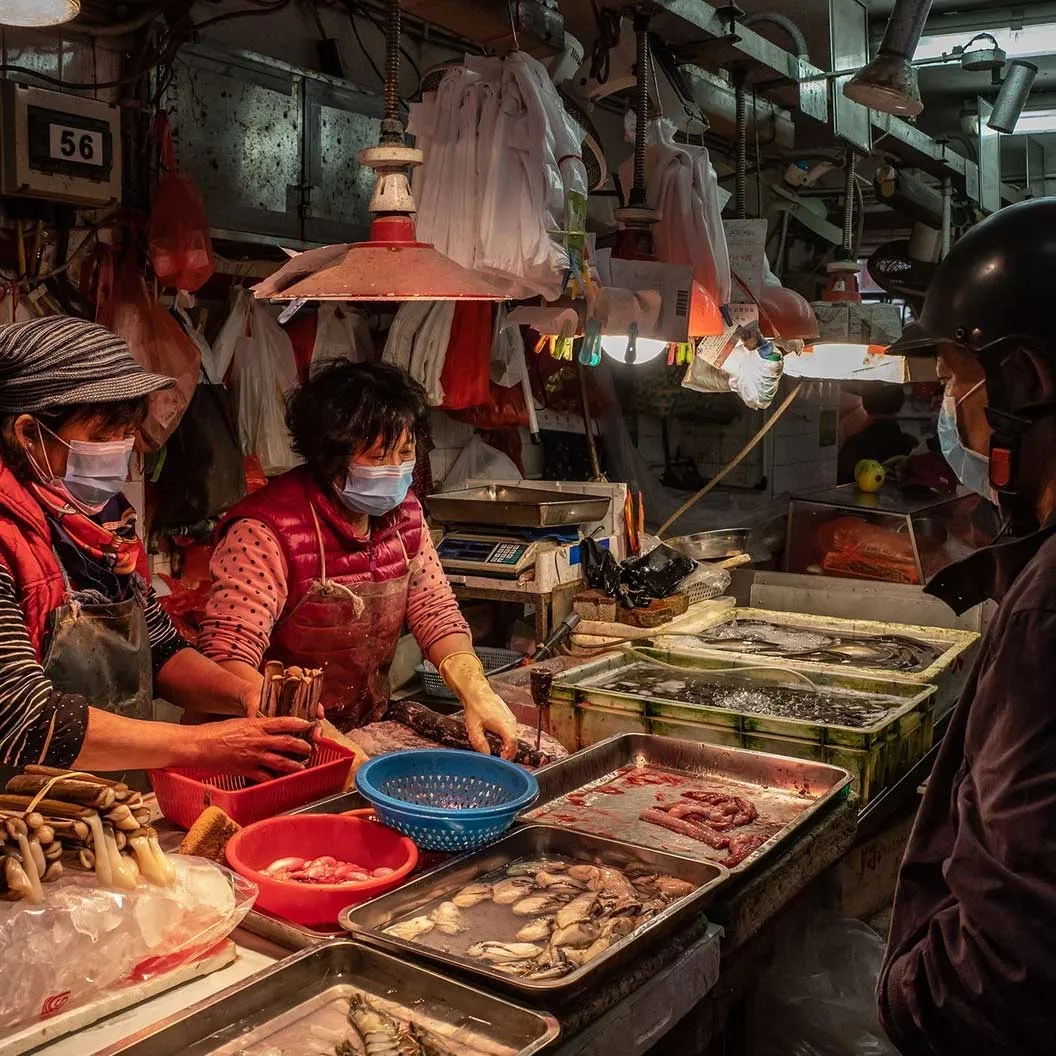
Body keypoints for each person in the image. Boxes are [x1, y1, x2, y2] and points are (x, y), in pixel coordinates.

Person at [878, 198, 1056, 1055]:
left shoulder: (1050, 610)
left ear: (1023, 383)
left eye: (955, 379)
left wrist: (914, 997)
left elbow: (1014, 958)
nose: (949, 407)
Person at [0, 316, 314, 780]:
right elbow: (21, 718)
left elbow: (160, 651)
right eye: (103, 436)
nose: (122, 451)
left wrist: (245, 695)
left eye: (125, 434)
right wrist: (209, 744)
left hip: (100, 807)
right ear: (29, 434)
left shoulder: (104, 528)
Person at [198, 360, 520, 759]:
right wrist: (330, 746)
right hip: (259, 745)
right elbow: (226, 659)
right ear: (331, 457)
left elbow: (435, 612)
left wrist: (477, 692)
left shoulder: (406, 515)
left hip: (364, 728)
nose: (396, 469)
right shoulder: (262, 530)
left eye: (405, 453)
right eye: (379, 456)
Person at [836, 383, 916, 483]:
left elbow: (841, 480)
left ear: (865, 405)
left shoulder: (854, 444)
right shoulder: (908, 444)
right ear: (900, 405)